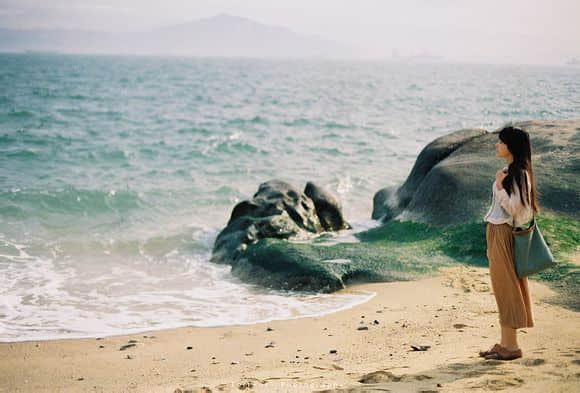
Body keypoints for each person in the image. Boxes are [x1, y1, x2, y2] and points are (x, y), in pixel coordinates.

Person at [480, 125, 539, 361]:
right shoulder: (509, 171)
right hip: (496, 231)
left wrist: (499, 186)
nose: (497, 145)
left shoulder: (519, 174)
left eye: (501, 141)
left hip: (504, 233)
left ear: (510, 146)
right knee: (501, 287)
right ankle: (505, 343)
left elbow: (518, 209)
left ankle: (512, 347)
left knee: (507, 288)